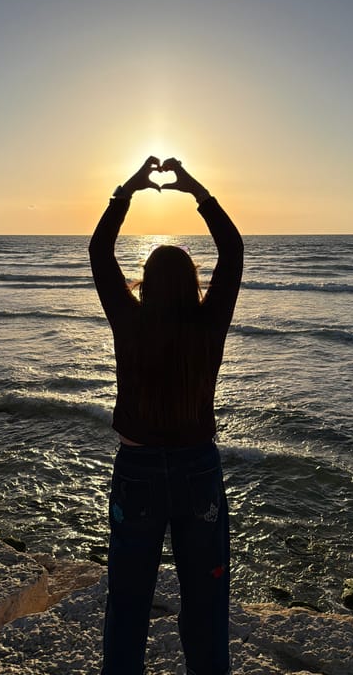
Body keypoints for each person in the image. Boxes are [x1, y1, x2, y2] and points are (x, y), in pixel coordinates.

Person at [89, 156, 243, 675]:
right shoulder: (209, 324)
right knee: (206, 603)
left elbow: (99, 251)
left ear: (146, 285)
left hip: (137, 474)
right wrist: (196, 189)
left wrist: (128, 190)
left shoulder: (129, 321)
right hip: (198, 470)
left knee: (128, 603)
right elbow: (234, 250)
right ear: (193, 285)